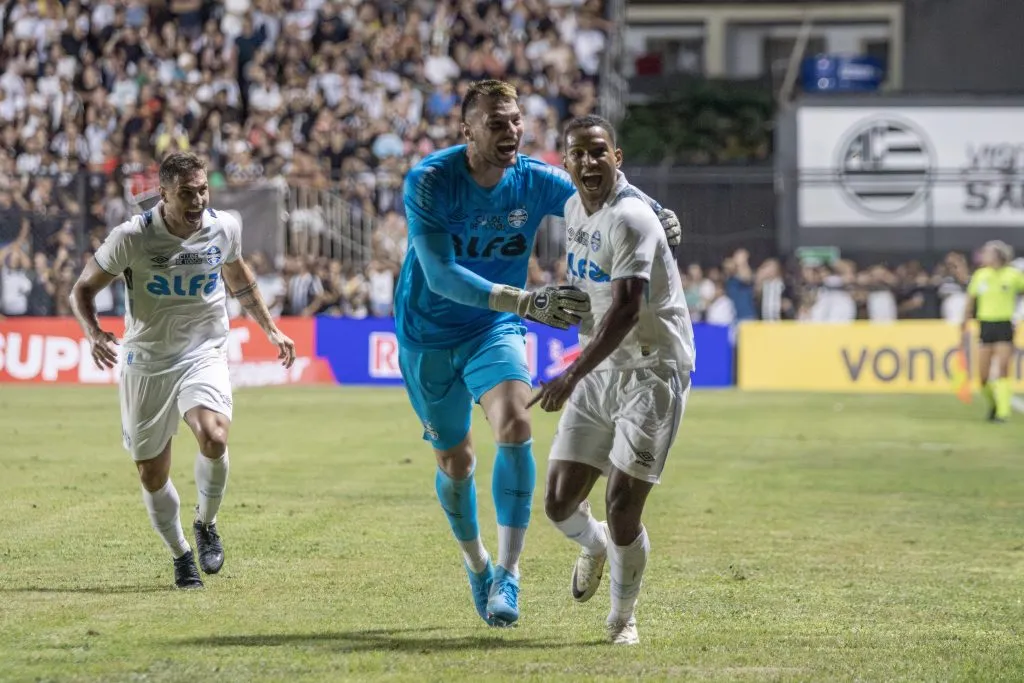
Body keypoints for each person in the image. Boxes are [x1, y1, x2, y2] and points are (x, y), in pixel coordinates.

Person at [396, 79, 680, 627]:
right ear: (468, 130)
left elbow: (601, 184)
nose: (511, 132)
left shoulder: (532, 180)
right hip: (426, 334)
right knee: (455, 461)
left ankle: (508, 573)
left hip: (493, 329)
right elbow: (438, 274)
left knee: (516, 427)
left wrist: (658, 209)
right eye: (496, 124)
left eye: (516, 121)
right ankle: (476, 562)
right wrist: (525, 300)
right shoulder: (430, 181)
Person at [69, 152, 296, 589]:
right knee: (152, 474)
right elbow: (82, 290)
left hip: (203, 351)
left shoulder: (223, 226)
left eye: (203, 190)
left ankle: (206, 523)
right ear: (165, 194)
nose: (198, 201)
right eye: (187, 194)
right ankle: (181, 555)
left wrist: (270, 329)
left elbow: (239, 277)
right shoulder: (132, 237)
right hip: (147, 360)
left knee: (214, 436)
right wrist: (93, 332)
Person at [531, 115, 695, 645]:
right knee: (558, 502)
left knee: (623, 501)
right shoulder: (574, 206)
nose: (587, 162)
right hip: (599, 364)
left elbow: (625, 311)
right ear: (566, 160)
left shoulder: (631, 219)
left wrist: (568, 375)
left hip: (651, 369)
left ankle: (623, 617)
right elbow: (595, 289)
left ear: (616, 158)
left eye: (598, 152)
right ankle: (595, 546)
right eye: (577, 154)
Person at [962, 240, 1024, 422]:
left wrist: (1018, 315)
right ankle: (994, 404)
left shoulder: (1013, 275)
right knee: (982, 377)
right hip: (986, 326)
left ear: (998, 256)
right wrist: (964, 321)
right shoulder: (980, 275)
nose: (983, 256)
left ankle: (1003, 413)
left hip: (1005, 325)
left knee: (1003, 368)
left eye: (987, 253)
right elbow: (970, 301)